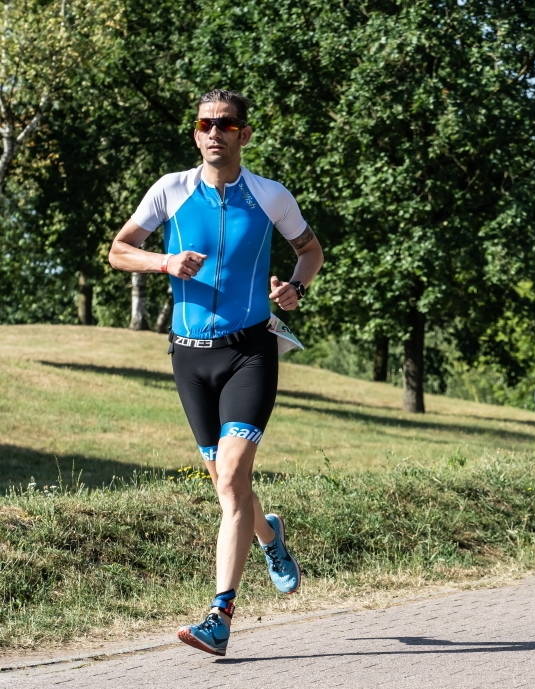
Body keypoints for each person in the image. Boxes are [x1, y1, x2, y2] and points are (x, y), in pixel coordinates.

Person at [108, 89, 324, 656]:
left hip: (251, 350)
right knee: (227, 482)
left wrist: (294, 289)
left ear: (243, 134)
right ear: (195, 133)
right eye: (205, 123)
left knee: (230, 481)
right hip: (189, 357)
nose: (214, 132)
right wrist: (163, 262)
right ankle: (270, 534)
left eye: (226, 124)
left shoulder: (270, 195)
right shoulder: (170, 191)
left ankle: (220, 615)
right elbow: (118, 250)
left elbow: (310, 250)